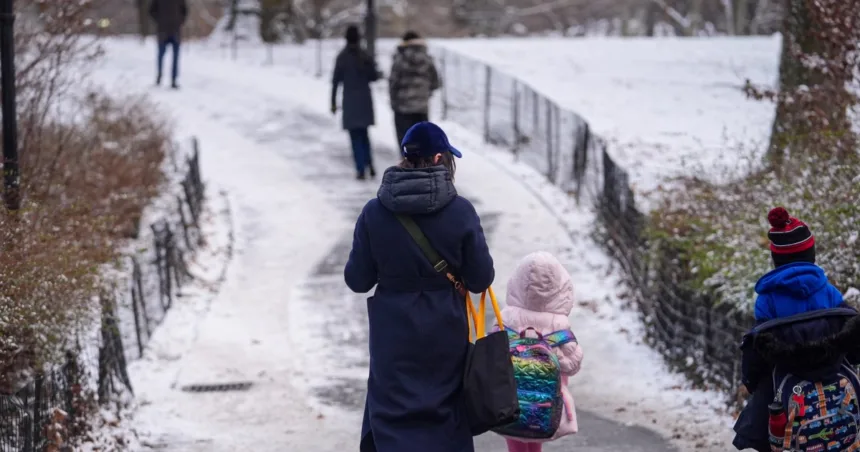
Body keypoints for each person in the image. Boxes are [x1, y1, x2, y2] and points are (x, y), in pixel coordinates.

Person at [344, 121, 495, 452]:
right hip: (446, 331)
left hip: (392, 335)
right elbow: (481, 278)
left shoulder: (374, 212)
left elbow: (357, 280)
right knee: (445, 415)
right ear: (441, 158)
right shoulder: (461, 212)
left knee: (393, 414)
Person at [732, 207, 860, 452]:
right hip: (838, 383)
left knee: (764, 416)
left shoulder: (766, 301)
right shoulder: (829, 291)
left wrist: (749, 381)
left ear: (776, 260)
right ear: (811, 254)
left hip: (787, 392)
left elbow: (757, 351)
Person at [493, 251, 583, 452]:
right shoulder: (558, 326)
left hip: (509, 398)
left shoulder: (505, 319)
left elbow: (493, 355)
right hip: (545, 400)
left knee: (514, 438)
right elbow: (572, 365)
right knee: (536, 438)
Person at [332, 25, 381, 180]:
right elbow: (374, 76)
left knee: (354, 136)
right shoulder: (365, 56)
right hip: (364, 99)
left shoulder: (342, 57)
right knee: (365, 134)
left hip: (350, 100)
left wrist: (333, 102)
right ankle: (369, 163)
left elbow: (335, 82)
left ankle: (360, 168)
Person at [389, 31, 441, 146]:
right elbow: (436, 82)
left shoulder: (400, 58)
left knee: (405, 140)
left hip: (402, 107)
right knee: (422, 140)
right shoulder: (427, 59)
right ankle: (422, 163)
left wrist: (393, 101)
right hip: (421, 107)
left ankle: (407, 162)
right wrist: (425, 93)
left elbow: (393, 82)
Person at [149, 0, 188, 89]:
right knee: (161, 55)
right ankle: (159, 76)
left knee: (175, 57)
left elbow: (185, 11)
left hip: (175, 30)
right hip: (162, 30)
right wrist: (159, 21)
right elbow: (151, 11)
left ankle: (174, 80)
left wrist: (179, 21)